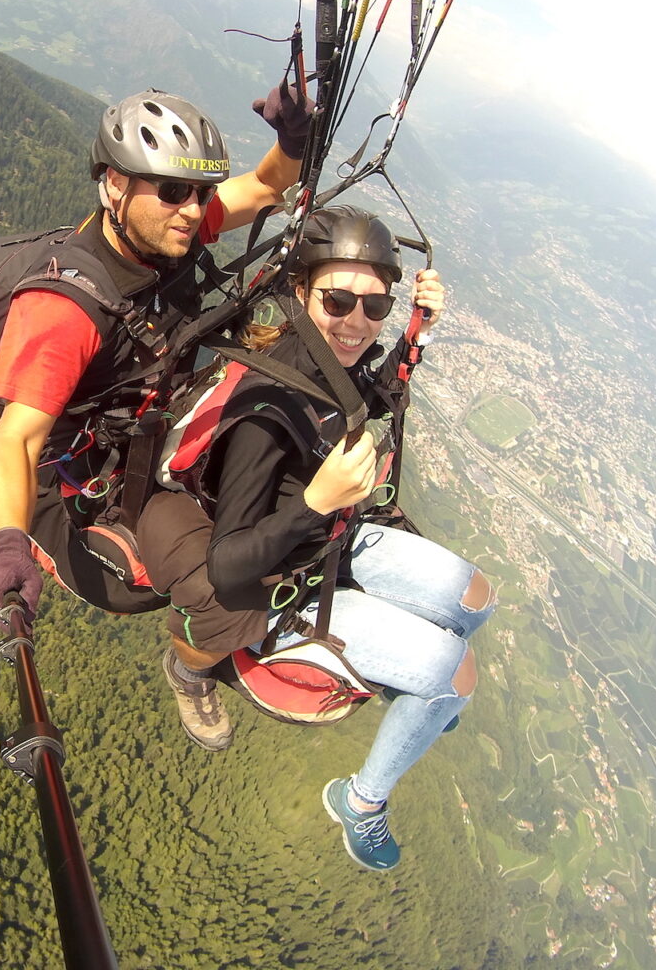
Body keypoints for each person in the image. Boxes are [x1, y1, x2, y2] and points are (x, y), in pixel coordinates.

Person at [135, 204, 496, 871]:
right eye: (338, 300)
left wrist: (418, 327)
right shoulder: (265, 412)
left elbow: (373, 399)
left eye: (376, 305)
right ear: (301, 292)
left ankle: (414, 685)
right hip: (287, 585)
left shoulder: (327, 362)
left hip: (335, 536)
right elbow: (231, 570)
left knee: (476, 600)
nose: (359, 322)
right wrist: (314, 503)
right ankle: (362, 802)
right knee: (456, 676)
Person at [0, 84, 313, 631]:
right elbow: (16, 437)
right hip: (88, 477)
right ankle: (196, 669)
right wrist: (6, 548)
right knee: (225, 595)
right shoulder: (66, 307)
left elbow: (269, 185)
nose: (193, 209)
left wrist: (293, 141)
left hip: (149, 426)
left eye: (202, 192)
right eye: (175, 190)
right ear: (114, 184)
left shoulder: (164, 230)